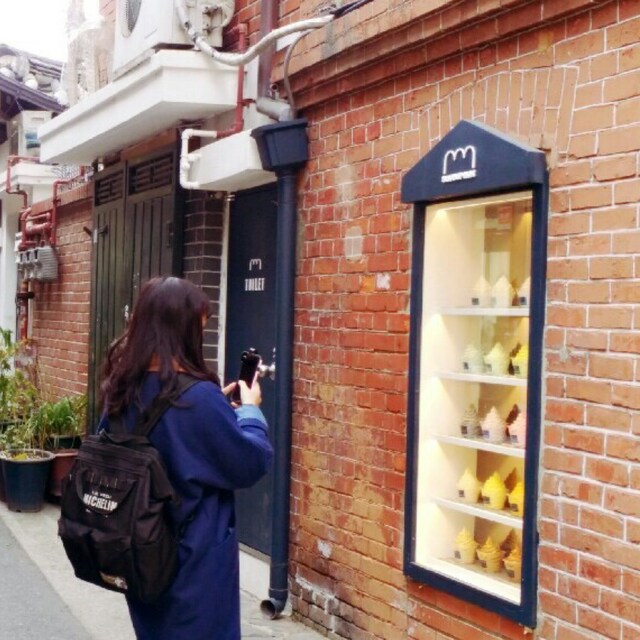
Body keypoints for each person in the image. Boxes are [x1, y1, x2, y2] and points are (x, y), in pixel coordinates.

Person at [99, 276, 273, 640]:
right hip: (192, 561)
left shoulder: (122, 388)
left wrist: (218, 412)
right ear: (182, 331)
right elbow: (251, 463)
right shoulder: (198, 398)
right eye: (200, 328)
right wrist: (250, 412)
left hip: (139, 551)